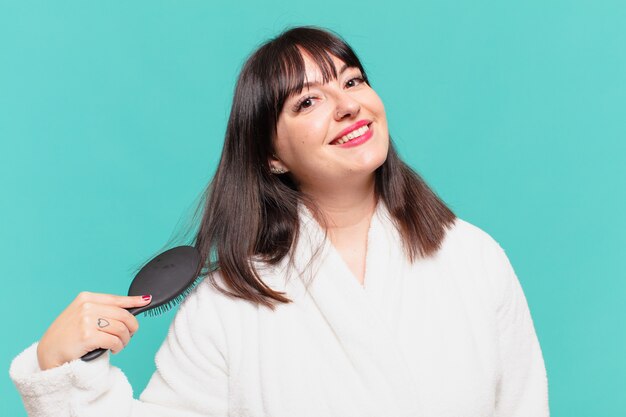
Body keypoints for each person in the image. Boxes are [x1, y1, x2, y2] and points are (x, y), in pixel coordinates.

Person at [9, 26, 549, 417]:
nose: (347, 106)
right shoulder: (225, 308)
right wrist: (60, 376)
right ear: (271, 155)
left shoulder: (473, 257)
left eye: (354, 82)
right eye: (308, 100)